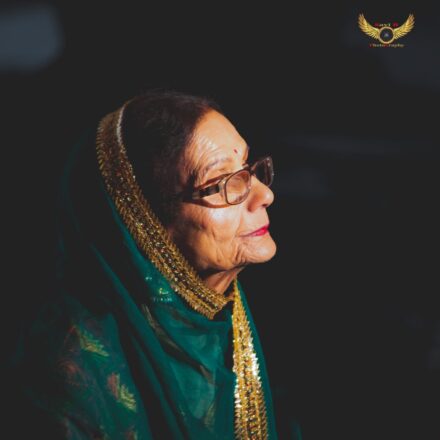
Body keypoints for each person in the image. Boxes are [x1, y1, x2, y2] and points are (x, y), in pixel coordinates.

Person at [6, 89, 293, 439]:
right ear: (147, 226)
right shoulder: (69, 380)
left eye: (247, 168)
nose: (265, 194)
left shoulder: (227, 317)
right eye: (223, 183)